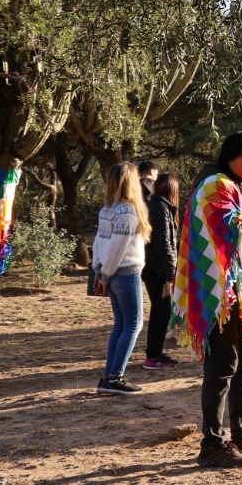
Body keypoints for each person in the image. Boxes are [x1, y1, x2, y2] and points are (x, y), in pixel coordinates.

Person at [174, 130, 242, 468]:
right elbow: (239, 228)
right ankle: (211, 443)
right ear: (228, 155)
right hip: (220, 295)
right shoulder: (214, 186)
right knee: (222, 367)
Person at [93, 161, 151, 395]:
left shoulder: (108, 209)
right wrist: (104, 274)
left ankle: (110, 375)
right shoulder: (127, 211)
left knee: (122, 324)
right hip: (125, 274)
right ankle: (115, 378)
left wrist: (100, 270)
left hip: (112, 274)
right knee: (133, 325)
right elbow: (117, 247)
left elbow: (98, 244)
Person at [141, 172, 181, 368]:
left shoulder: (159, 206)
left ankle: (155, 353)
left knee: (162, 309)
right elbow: (164, 242)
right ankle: (153, 355)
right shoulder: (159, 208)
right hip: (157, 268)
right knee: (161, 310)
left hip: (155, 267)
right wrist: (170, 269)